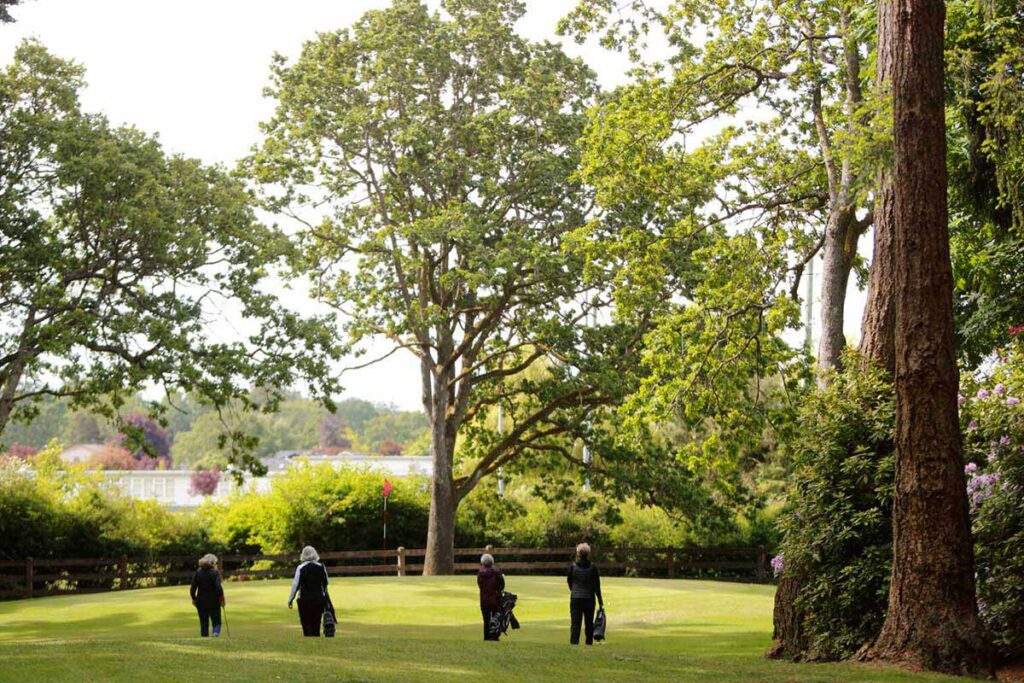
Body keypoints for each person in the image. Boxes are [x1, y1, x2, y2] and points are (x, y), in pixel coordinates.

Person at [287, 545, 330, 637]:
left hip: (304, 599)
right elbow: (326, 582)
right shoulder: (321, 567)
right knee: (316, 622)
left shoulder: (301, 568)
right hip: (318, 598)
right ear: (315, 554)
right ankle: (316, 638)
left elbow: (295, 585)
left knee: (306, 623)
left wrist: (290, 599)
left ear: (303, 555)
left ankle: (308, 638)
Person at [567, 542, 603, 645]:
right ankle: (588, 643)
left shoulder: (573, 567)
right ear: (588, 554)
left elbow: (569, 582)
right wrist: (600, 602)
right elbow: (597, 586)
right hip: (589, 598)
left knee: (575, 623)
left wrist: (574, 591)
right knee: (589, 623)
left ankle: (574, 643)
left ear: (578, 553)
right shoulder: (593, 568)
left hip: (575, 598)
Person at [190, 553, 225, 637]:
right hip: (214, 602)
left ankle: (205, 639)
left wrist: (194, 599)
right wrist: (222, 599)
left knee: (203, 624)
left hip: (201, 602)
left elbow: (192, 588)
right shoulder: (214, 573)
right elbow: (218, 587)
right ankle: (215, 633)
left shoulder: (197, 572)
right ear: (212, 563)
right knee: (216, 622)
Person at [476, 553, 505, 641]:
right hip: (496, 599)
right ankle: (495, 636)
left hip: (484, 600)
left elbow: (480, 585)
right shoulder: (497, 573)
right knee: (495, 619)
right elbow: (502, 585)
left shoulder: (480, 573)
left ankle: (487, 637)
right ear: (492, 562)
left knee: (486, 620)